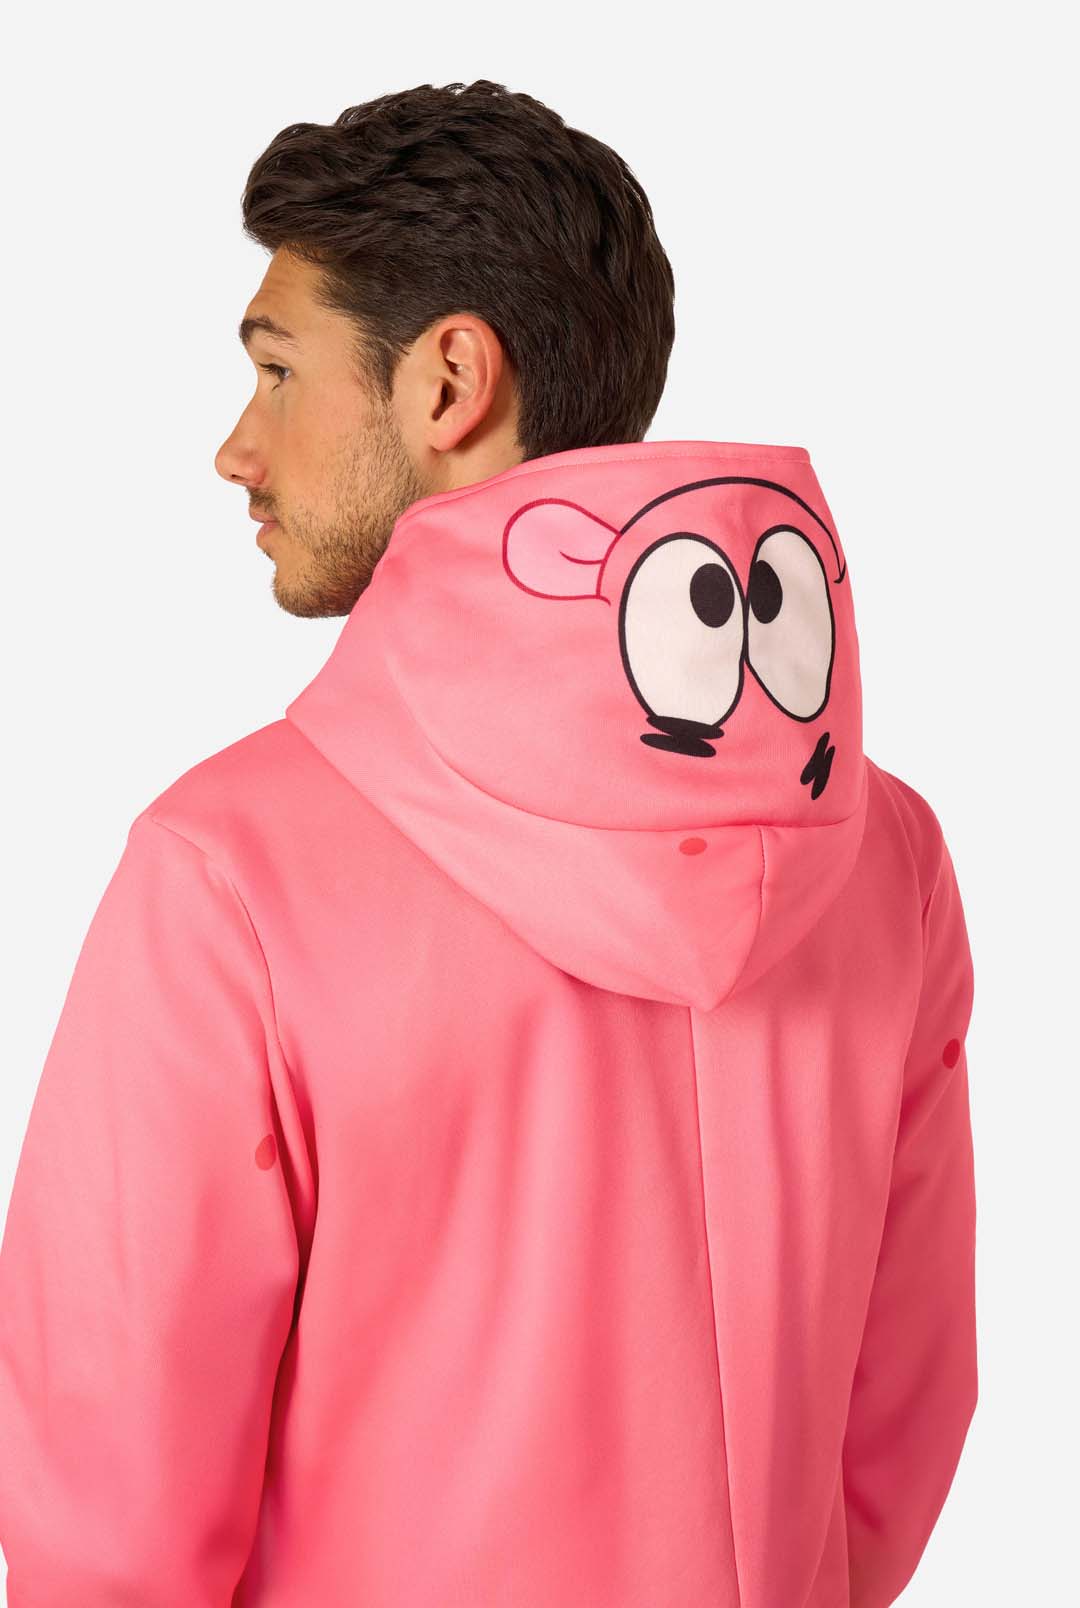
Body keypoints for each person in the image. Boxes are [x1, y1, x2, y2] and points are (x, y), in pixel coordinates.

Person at [0, 79, 976, 1608]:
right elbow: (900, 1421)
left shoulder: (227, 876)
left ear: (449, 379)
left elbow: (111, 1526)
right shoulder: (884, 857)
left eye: (278, 371)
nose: (239, 448)